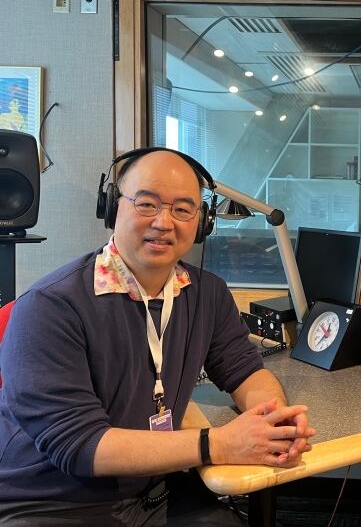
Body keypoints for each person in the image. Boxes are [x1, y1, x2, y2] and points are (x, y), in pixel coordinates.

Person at [0, 149, 315, 526]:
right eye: (147, 204)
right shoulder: (50, 307)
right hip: (51, 502)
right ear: (113, 207)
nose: (164, 222)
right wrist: (218, 443)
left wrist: (272, 420)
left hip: (153, 490)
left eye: (183, 209)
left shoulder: (207, 294)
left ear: (201, 222)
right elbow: (80, 446)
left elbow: (243, 369)